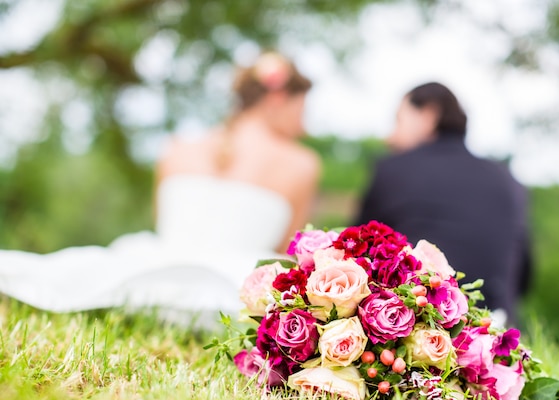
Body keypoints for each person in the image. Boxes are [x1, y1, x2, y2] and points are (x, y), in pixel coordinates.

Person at [0, 52, 320, 321]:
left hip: (151, 273)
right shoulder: (302, 164)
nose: (303, 124)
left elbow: (160, 223)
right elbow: (285, 252)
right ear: (277, 98)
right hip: (231, 292)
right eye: (302, 109)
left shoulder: (177, 147)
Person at [356, 82, 531, 324]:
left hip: (413, 326)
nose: (390, 137)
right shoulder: (508, 181)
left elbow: (357, 254)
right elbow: (523, 276)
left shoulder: (392, 170)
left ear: (428, 114)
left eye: (398, 121)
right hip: (492, 331)